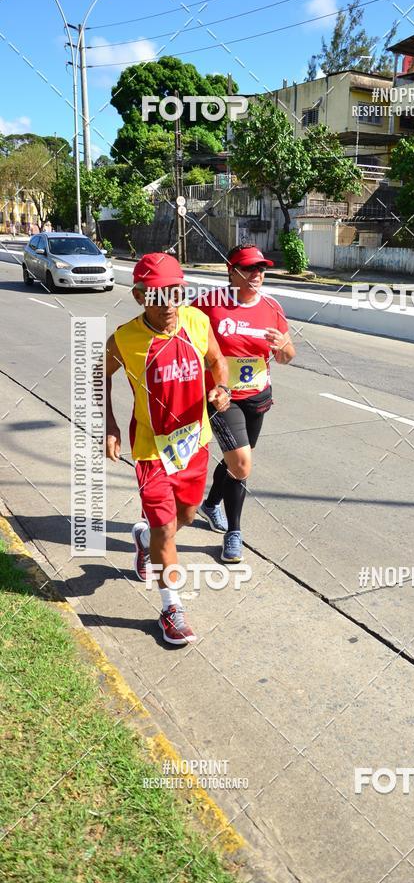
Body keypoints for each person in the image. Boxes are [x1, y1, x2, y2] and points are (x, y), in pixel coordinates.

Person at [105, 253, 231, 645]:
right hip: (151, 451)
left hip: (194, 445)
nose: (170, 305)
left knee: (186, 518)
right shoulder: (124, 339)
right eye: (159, 297)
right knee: (164, 530)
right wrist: (109, 424)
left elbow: (217, 360)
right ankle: (171, 607)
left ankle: (144, 542)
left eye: (176, 293)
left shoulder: (196, 322)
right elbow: (98, 375)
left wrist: (222, 388)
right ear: (140, 296)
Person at [194, 244, 296, 563]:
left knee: (240, 459)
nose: (257, 274)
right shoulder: (208, 305)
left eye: (261, 269)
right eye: (249, 268)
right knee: (241, 463)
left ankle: (210, 504)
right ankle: (233, 533)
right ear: (231, 271)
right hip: (223, 398)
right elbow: (182, 336)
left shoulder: (272, 308)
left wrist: (282, 349)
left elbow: (288, 356)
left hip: (257, 396)